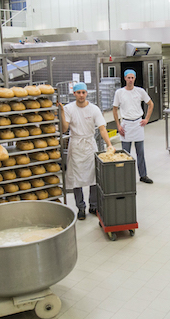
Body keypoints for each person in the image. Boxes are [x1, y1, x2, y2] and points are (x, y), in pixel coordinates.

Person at [59, 82, 114, 220]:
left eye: (83, 92)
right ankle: (81, 208)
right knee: (76, 179)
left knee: (93, 177)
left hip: (90, 145)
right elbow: (64, 129)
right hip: (76, 145)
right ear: (74, 94)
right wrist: (61, 114)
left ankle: (93, 205)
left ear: (86, 93)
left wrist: (109, 144)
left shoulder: (94, 109)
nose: (81, 95)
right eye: (79, 93)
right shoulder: (69, 108)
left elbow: (102, 128)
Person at [113, 69, 154, 184]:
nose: (130, 80)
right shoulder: (119, 92)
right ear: (125, 78)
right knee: (125, 153)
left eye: (132, 78)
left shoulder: (140, 91)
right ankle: (125, 176)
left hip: (138, 123)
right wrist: (118, 125)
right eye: (128, 78)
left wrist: (146, 119)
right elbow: (115, 109)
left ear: (135, 78)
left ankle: (143, 175)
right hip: (125, 124)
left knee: (140, 152)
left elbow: (150, 104)